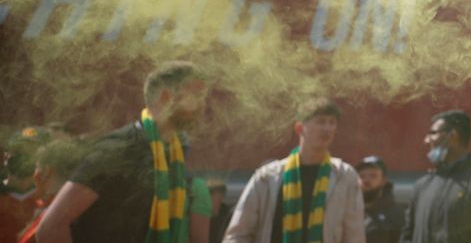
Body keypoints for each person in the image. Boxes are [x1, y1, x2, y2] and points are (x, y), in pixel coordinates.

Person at [36, 60, 209, 243]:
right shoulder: (118, 150)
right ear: (166, 97)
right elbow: (51, 227)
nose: (203, 104)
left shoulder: (174, 154)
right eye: (197, 96)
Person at [222, 97, 364, 243]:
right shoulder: (268, 177)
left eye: (332, 122)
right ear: (299, 128)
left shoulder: (344, 176)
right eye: (320, 121)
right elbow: (238, 234)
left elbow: (355, 235)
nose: (327, 128)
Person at [400, 110, 471, 243]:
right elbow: (407, 235)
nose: (426, 140)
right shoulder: (423, 186)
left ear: (453, 136)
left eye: (433, 133)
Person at [17, 137, 87, 243]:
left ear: (47, 170)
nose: (34, 174)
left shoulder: (54, 215)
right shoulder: (81, 207)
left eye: (37, 167)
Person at [356, 156, 405, 243]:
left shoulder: (397, 215)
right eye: (362, 176)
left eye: (373, 176)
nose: (366, 180)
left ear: (383, 181)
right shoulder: (349, 212)